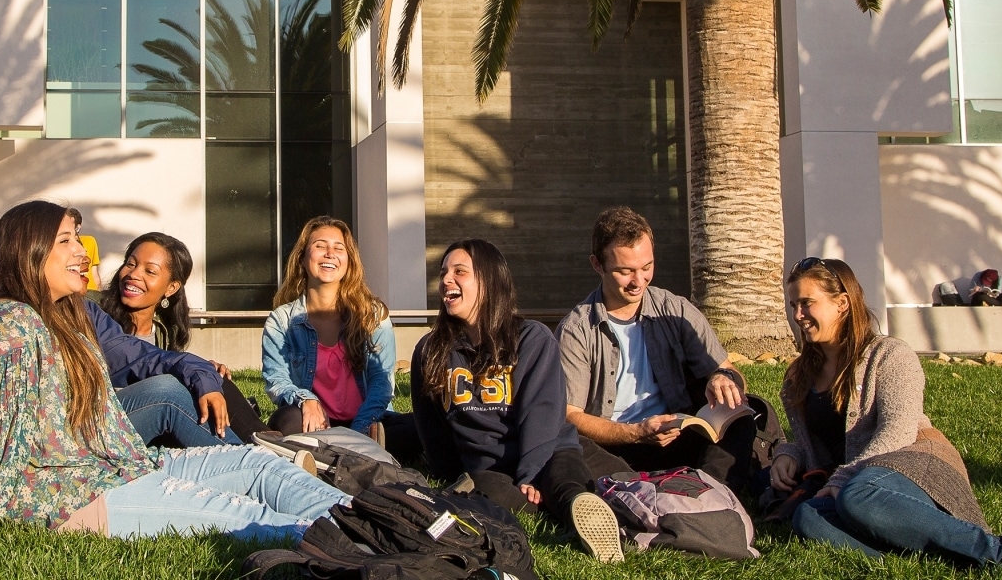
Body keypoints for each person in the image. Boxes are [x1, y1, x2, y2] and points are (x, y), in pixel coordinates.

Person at [0, 200, 349, 548]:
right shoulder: (10, 321)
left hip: (120, 464)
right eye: (65, 240)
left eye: (77, 239)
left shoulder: (71, 313)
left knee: (262, 466)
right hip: (68, 495)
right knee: (257, 518)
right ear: (29, 250)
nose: (82, 253)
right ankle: (368, 541)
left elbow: (138, 357)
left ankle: (374, 516)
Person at [772, 257, 1002, 578]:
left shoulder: (889, 354)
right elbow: (822, 440)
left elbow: (899, 429)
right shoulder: (799, 374)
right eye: (793, 305)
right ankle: (942, 559)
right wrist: (789, 452)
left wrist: (841, 478)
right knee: (809, 517)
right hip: (854, 482)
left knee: (858, 497)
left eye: (807, 303)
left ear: (843, 304)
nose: (798, 315)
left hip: (911, 463)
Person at [411, 238, 625, 563]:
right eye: (443, 273)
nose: (445, 281)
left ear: (489, 280)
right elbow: (431, 425)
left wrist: (530, 474)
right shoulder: (431, 350)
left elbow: (543, 412)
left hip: (547, 448)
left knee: (565, 482)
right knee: (486, 488)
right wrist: (448, 471)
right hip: (488, 467)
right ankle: (555, 516)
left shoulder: (531, 338)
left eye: (459, 272)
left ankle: (580, 513)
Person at [556, 207, 760, 490]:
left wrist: (723, 378)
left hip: (674, 436)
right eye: (625, 271)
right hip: (613, 445)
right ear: (597, 265)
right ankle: (658, 487)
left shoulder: (674, 309)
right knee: (567, 444)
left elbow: (730, 372)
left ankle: (710, 492)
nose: (638, 282)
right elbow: (569, 414)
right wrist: (634, 433)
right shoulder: (577, 329)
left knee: (740, 414)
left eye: (646, 267)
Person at [261, 216, 414, 455]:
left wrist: (359, 430)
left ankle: (333, 453)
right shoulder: (281, 321)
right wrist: (306, 400)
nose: (330, 253)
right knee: (285, 420)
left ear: (349, 261)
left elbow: (381, 383)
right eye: (320, 246)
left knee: (415, 427)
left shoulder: (373, 315)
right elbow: (277, 381)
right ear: (303, 257)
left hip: (367, 421)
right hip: (315, 424)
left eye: (338, 248)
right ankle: (357, 452)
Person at [98, 232, 273, 439]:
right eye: (130, 264)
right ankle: (262, 453)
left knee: (214, 377)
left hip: (158, 420)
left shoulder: (163, 330)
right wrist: (193, 368)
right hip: (114, 418)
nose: (134, 274)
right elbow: (138, 368)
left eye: (150, 271)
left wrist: (202, 369)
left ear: (171, 288)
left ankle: (265, 440)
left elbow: (165, 363)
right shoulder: (97, 316)